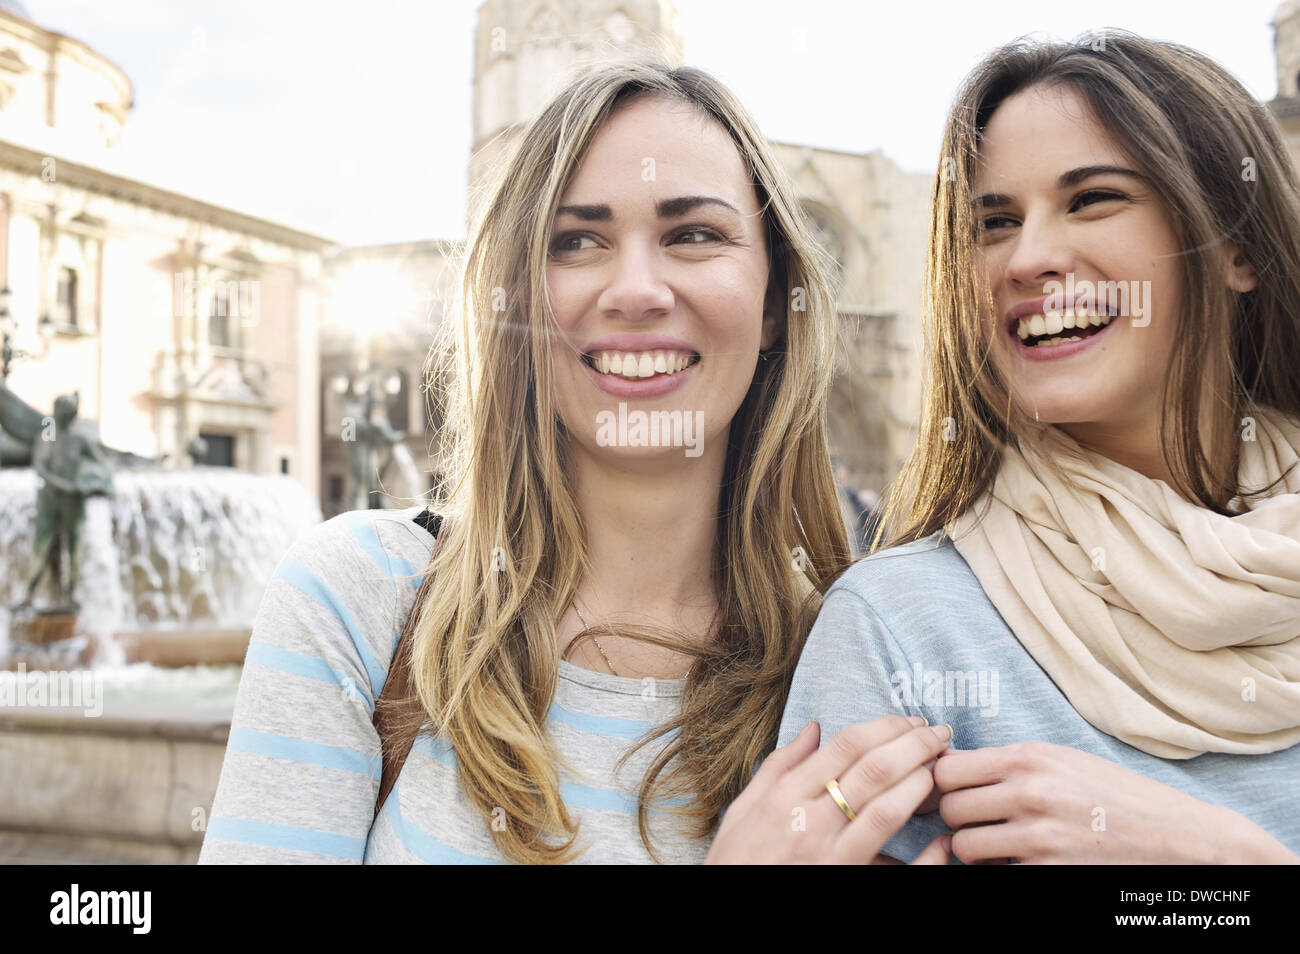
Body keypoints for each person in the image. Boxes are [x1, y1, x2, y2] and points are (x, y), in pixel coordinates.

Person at [199, 61, 949, 865]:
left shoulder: (870, 661)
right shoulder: (357, 600)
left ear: (775, 302)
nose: (635, 291)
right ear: (516, 299)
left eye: (693, 234)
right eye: (576, 241)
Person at [779, 31, 1300, 863]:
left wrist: (1218, 862)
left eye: (1092, 198)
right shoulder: (899, 632)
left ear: (1237, 246)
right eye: (994, 222)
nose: (1027, 258)